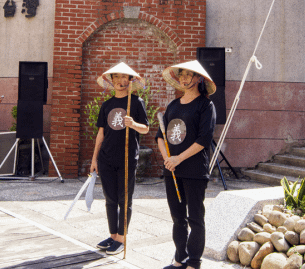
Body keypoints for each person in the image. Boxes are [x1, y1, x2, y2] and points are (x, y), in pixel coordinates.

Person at [156, 61, 217, 269]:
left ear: (199, 78)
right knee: (177, 218)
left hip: (194, 171)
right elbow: (160, 136)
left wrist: (178, 158)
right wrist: (167, 159)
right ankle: (179, 258)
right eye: (181, 74)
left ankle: (193, 262)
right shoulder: (173, 105)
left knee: (195, 219)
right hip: (172, 170)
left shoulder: (205, 105)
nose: (184, 78)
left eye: (189, 74)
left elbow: (204, 139)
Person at [90, 62, 149, 255]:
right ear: (111, 80)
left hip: (126, 158)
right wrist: (94, 159)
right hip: (106, 158)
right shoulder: (107, 105)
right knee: (110, 199)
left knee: (125, 199)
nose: (120, 81)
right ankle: (113, 235)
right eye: (116, 77)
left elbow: (146, 129)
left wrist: (133, 124)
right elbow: (100, 133)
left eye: (125, 78)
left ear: (130, 81)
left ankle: (122, 239)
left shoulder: (136, 102)